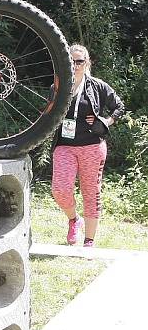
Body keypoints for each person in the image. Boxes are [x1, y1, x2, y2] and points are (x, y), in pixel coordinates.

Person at [51, 43, 125, 248]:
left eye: (79, 61)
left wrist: (105, 122)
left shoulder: (97, 86)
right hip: (64, 146)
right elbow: (48, 114)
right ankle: (74, 220)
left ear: (87, 63)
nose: (75, 65)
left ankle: (89, 242)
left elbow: (119, 107)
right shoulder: (58, 86)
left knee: (91, 193)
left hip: (92, 146)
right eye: (71, 61)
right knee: (60, 189)